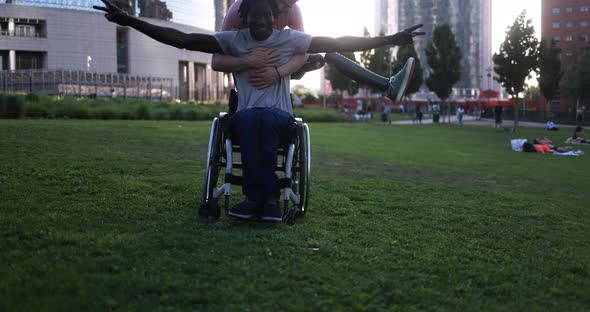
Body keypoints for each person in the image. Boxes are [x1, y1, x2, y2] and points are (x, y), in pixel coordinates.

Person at [93, 0, 424, 222]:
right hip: (246, 116)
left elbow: (339, 42)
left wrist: (390, 39)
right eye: (256, 16)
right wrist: (128, 20)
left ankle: (261, 200)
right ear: (246, 17)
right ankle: (262, 202)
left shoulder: (289, 39)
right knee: (250, 117)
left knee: (264, 114)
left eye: (268, 15)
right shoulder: (234, 40)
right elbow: (181, 38)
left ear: (275, 17)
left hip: (280, 118)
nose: (263, 20)